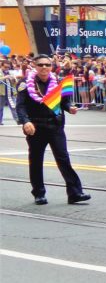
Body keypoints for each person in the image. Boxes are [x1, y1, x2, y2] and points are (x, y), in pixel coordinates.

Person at [16, 55, 91, 205]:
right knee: (36, 160)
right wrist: (25, 121)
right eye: (41, 65)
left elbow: (64, 102)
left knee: (63, 159)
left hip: (55, 126)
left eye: (47, 65)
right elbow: (21, 106)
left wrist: (70, 108)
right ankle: (39, 193)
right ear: (35, 66)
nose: (44, 67)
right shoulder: (25, 83)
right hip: (36, 128)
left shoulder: (57, 82)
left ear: (51, 66)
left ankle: (75, 193)